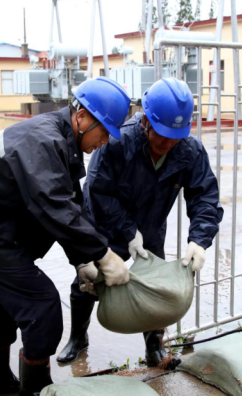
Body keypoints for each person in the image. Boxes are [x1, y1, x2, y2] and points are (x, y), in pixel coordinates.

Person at [0, 77, 132, 396]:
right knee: (42, 307)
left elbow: (70, 204)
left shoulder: (59, 140)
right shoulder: (42, 139)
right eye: (104, 131)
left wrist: (82, 261)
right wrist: (104, 255)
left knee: (6, 309)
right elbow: (53, 206)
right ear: (81, 118)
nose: (105, 141)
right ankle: (36, 391)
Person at [57, 78, 224, 368]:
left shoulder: (190, 151)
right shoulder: (117, 142)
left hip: (151, 227)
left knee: (154, 285)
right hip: (106, 224)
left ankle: (153, 345)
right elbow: (98, 191)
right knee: (87, 282)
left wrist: (200, 239)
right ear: (146, 121)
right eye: (162, 136)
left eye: (176, 137)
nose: (168, 144)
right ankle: (78, 337)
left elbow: (204, 197)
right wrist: (127, 230)